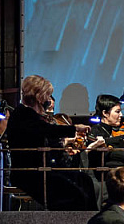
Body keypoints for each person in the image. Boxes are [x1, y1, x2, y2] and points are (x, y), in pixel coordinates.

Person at [5, 75, 96, 210]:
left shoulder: (32, 115)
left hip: (44, 170)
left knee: (85, 181)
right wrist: (74, 128)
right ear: (39, 96)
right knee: (76, 196)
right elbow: (46, 130)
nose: (49, 100)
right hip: (29, 173)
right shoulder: (22, 114)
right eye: (47, 95)